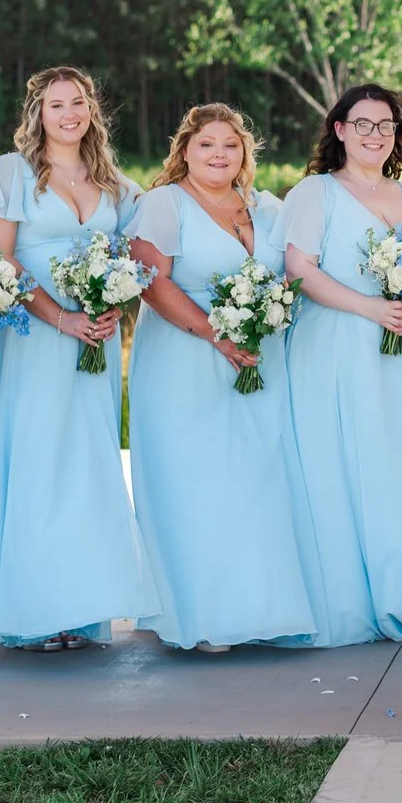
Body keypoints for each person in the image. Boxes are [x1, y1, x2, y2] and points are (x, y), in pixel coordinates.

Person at [0, 67, 155, 654]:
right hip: (33, 336)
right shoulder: (12, 172)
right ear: (37, 114)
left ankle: (82, 610)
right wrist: (60, 317)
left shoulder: (115, 183)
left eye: (78, 103)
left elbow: (135, 256)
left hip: (91, 343)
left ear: (92, 110)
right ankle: (33, 614)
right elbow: (0, 258)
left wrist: (110, 305)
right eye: (55, 105)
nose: (69, 113)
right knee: (38, 460)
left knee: (86, 465)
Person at [126, 105, 322, 652]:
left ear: (245, 154)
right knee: (197, 479)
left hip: (259, 357)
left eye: (230, 145)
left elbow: (293, 274)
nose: (219, 154)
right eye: (207, 144)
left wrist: (266, 319)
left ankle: (258, 609)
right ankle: (203, 614)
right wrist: (217, 334)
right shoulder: (163, 204)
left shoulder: (268, 207)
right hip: (184, 358)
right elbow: (150, 282)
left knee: (258, 477)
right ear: (184, 150)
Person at [279, 84, 402, 647]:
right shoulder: (315, 192)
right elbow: (299, 270)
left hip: (400, 351)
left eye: (386, 125)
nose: (376, 134)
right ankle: (344, 605)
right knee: (339, 461)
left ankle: (397, 599)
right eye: (364, 123)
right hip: (335, 344)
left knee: (395, 462)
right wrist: (372, 306)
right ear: (340, 130)